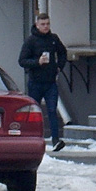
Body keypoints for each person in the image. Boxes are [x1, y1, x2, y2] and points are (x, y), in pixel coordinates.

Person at [18, 13, 69, 151]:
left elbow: (63, 52)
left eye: (47, 24)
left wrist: (59, 66)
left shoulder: (53, 39)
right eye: (43, 24)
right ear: (37, 25)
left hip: (50, 82)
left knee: (52, 110)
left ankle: (56, 140)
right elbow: (22, 61)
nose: (46, 27)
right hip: (35, 82)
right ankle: (30, 138)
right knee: (33, 111)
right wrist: (37, 62)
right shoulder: (31, 41)